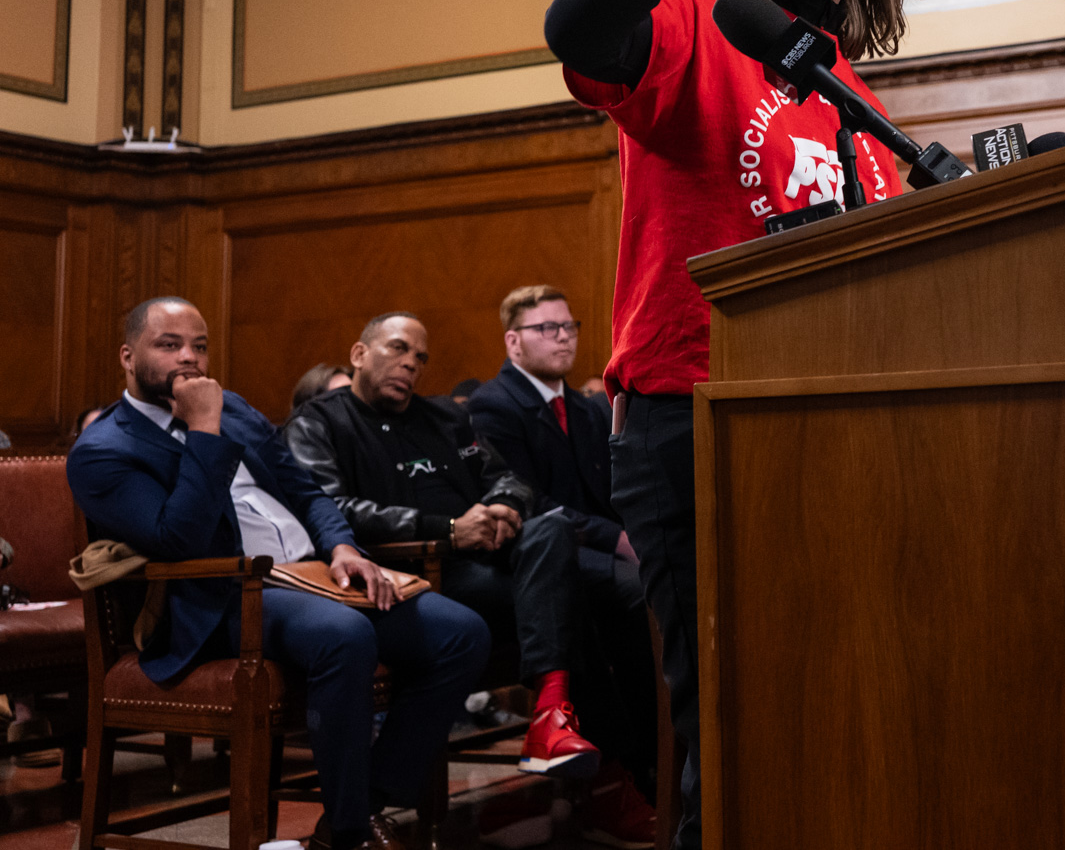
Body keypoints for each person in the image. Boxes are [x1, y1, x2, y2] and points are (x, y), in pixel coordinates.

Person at [544, 0, 916, 848]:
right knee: (741, 724)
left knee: (827, 715)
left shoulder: (854, 90)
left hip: (840, 424)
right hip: (698, 423)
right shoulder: (699, 26)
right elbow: (574, 26)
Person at [66, 298, 489, 850]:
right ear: (128, 356)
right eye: (168, 345)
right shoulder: (103, 449)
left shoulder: (235, 407)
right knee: (345, 634)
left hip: (313, 575)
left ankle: (365, 801)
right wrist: (204, 429)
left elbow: (305, 491)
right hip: (221, 596)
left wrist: (342, 547)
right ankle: (349, 834)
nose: (189, 359)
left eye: (199, 345)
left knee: (462, 632)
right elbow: (179, 539)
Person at [285, 312, 654, 848]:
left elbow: (506, 477)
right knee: (572, 599)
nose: (411, 363)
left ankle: (562, 720)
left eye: (420, 356)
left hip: (494, 559)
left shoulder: (445, 420)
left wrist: (503, 506)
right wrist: (449, 529)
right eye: (397, 348)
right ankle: (616, 773)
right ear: (360, 354)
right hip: (417, 573)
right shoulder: (320, 422)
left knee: (551, 532)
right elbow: (330, 506)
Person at [468, 286, 657, 832]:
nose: (563, 337)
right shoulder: (492, 405)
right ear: (513, 341)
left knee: (660, 583)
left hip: (595, 545)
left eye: (569, 327)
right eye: (546, 328)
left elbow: (619, 488)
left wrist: (637, 534)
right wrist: (617, 540)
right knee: (633, 592)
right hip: (544, 551)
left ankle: (661, 757)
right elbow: (527, 498)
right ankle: (630, 767)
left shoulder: (585, 406)